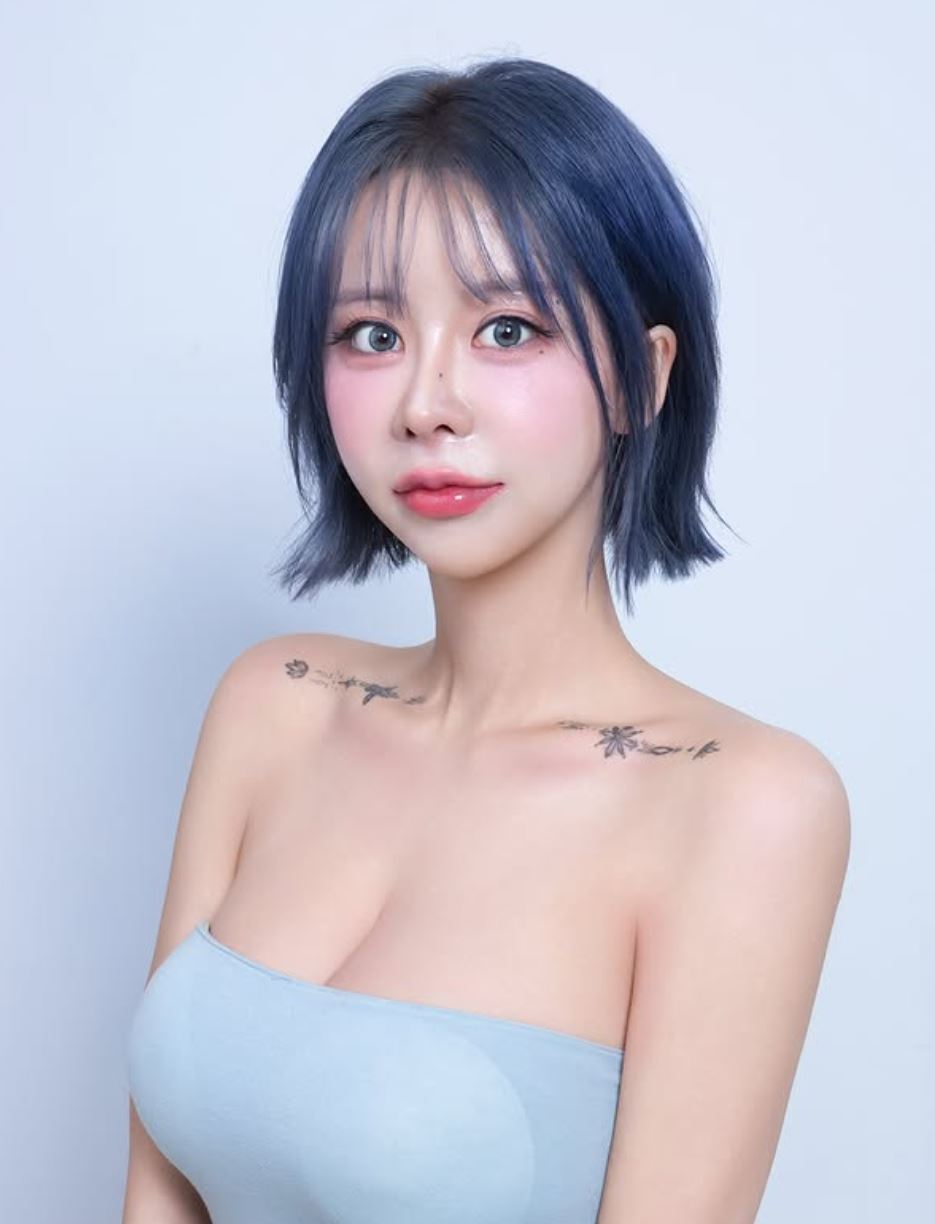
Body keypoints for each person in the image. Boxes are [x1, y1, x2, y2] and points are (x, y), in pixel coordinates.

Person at [122, 56, 850, 1224]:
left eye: (506, 328)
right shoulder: (271, 703)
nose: (426, 403)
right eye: (370, 333)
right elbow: (154, 1199)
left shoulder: (741, 805)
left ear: (641, 376)